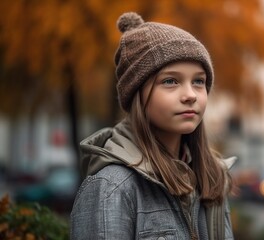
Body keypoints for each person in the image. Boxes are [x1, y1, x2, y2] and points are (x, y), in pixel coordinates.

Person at [70, 12, 236, 240]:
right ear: (137, 94)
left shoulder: (212, 179)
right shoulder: (111, 187)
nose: (190, 95)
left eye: (199, 81)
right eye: (170, 81)